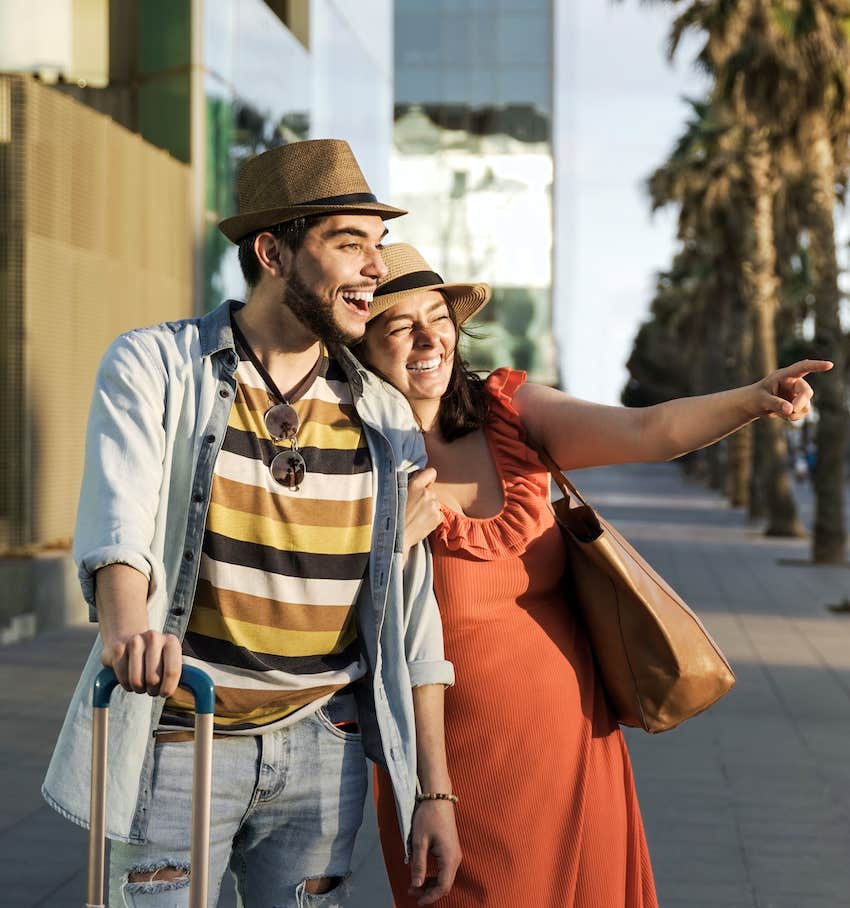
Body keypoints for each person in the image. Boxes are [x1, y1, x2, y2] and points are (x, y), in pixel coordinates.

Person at [42, 143, 460, 907]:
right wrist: (130, 630)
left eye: (378, 244)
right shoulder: (155, 366)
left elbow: (413, 624)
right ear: (273, 251)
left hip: (323, 746)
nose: (375, 266)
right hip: (181, 736)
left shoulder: (383, 412)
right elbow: (121, 514)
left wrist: (434, 794)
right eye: (349, 243)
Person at [359, 242, 830, 908]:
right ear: (360, 346)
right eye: (399, 326)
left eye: (437, 316)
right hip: (447, 760)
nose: (427, 338)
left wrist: (753, 399)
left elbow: (646, 429)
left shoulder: (509, 412)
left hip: (567, 734)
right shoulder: (348, 453)